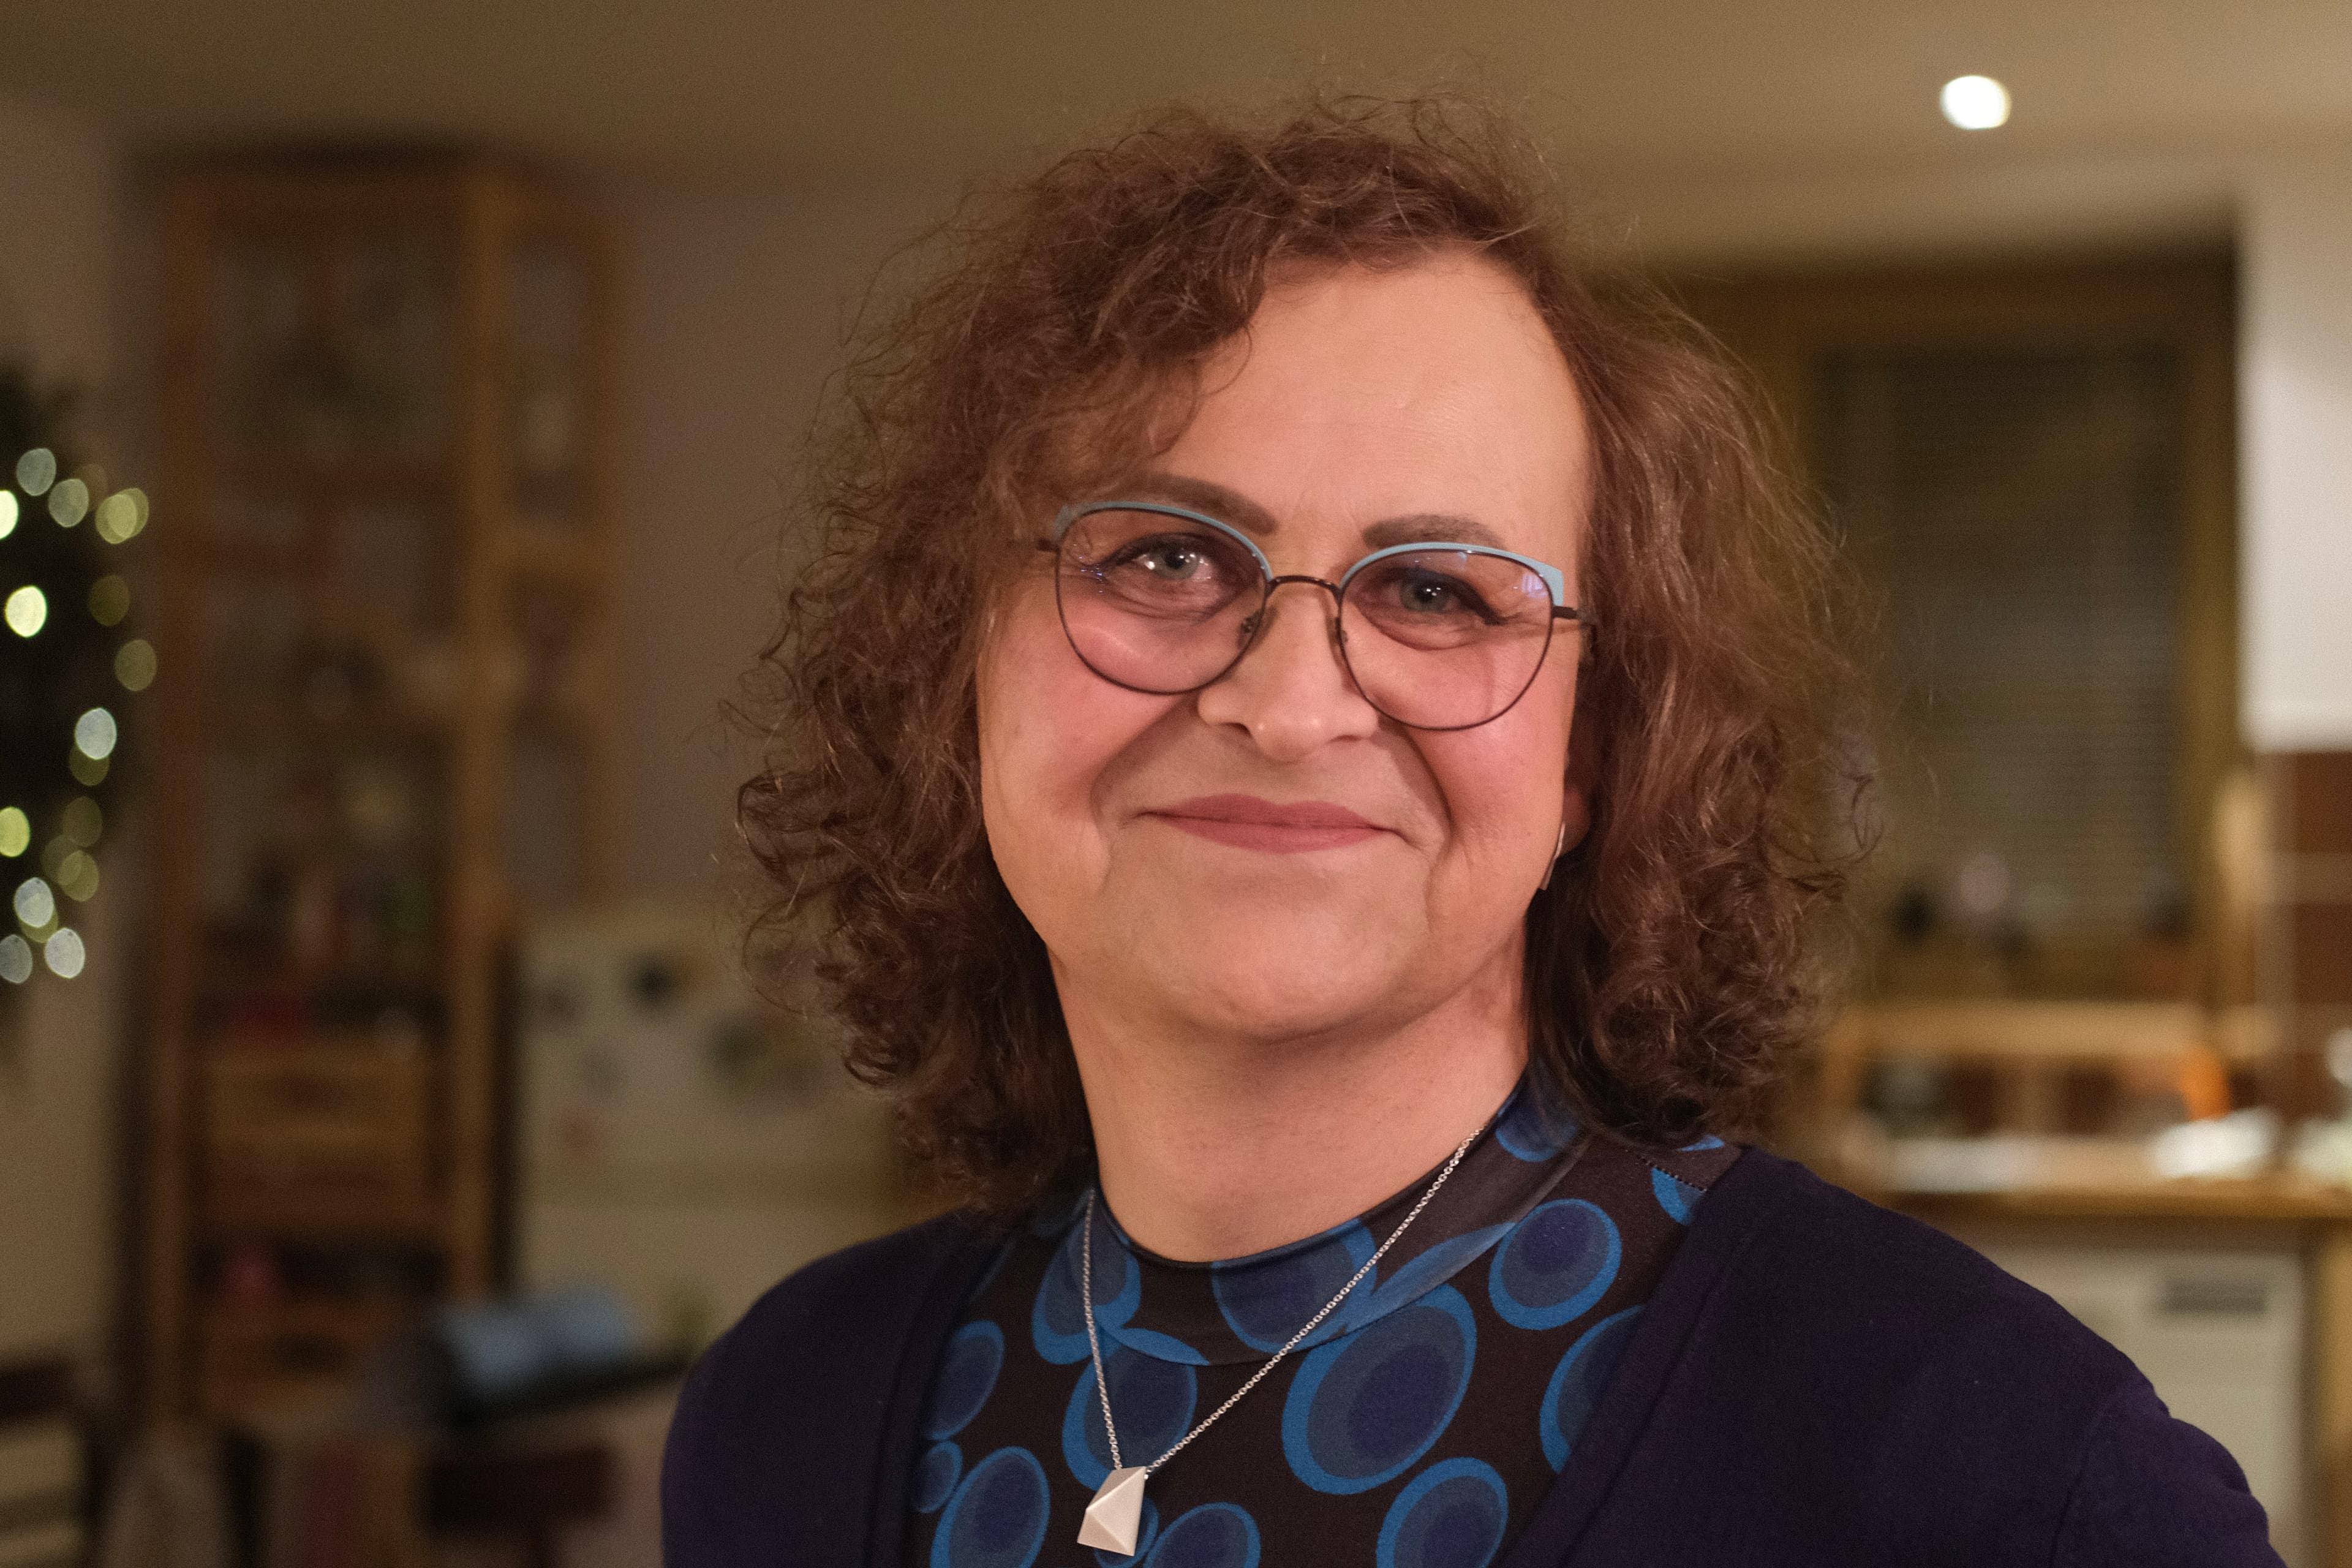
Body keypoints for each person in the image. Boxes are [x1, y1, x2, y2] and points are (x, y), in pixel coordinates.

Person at [663, 97, 2279, 1567]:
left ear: (1593, 752)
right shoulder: (782, 1419)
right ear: (959, 664)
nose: (1289, 704)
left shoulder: (2004, 1479)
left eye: (1437, 592)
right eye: (1162, 556)